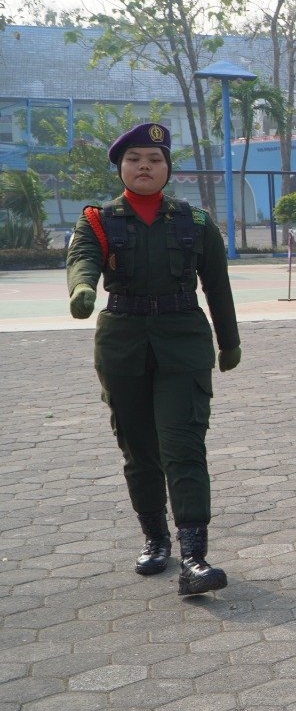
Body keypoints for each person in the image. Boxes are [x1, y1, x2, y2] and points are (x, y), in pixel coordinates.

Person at [67, 122, 239, 596]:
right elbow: (83, 259)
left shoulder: (195, 222)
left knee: (184, 445)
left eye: (155, 159)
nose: (145, 166)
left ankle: (195, 557)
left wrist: (229, 342)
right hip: (123, 343)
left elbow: (217, 286)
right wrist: (82, 288)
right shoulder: (98, 220)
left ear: (167, 169)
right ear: (121, 167)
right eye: (135, 159)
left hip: (183, 341)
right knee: (139, 449)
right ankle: (156, 539)